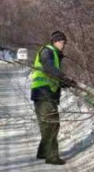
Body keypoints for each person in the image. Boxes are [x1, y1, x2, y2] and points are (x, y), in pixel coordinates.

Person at [30, 31, 77, 165]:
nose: (63, 45)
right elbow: (48, 67)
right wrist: (63, 78)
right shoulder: (47, 51)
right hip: (43, 93)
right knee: (51, 124)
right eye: (62, 42)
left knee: (48, 125)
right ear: (55, 41)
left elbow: (52, 74)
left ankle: (44, 152)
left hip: (45, 93)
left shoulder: (54, 54)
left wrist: (65, 83)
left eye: (64, 43)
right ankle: (51, 156)